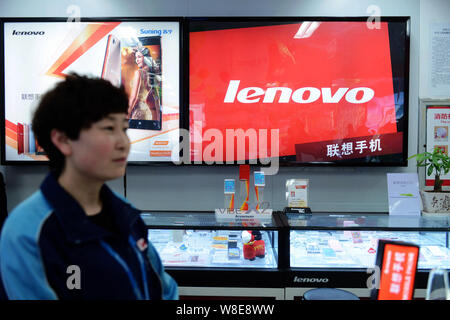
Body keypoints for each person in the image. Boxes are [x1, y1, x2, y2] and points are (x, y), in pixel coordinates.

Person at [0, 74, 178, 300]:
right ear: (63, 140)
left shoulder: (127, 215)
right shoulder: (27, 232)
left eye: (124, 129)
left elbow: (164, 289)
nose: (123, 143)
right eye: (108, 129)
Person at [127, 47, 161, 122]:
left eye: (139, 57)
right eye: (136, 58)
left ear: (145, 58)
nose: (137, 60)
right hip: (147, 112)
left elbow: (134, 97)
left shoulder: (139, 73)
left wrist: (127, 114)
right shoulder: (152, 74)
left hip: (138, 111)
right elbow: (156, 99)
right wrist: (158, 117)